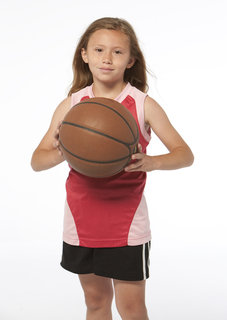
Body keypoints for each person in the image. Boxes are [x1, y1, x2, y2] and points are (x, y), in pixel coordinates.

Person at [31, 17, 194, 320]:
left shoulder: (143, 104)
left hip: (126, 224)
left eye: (117, 52)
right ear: (84, 54)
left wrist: (152, 162)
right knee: (95, 303)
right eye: (99, 50)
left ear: (131, 59)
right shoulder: (72, 105)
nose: (107, 58)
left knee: (130, 308)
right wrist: (64, 152)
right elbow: (37, 160)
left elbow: (185, 154)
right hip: (81, 221)